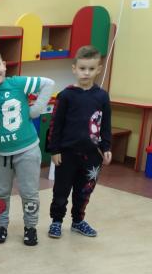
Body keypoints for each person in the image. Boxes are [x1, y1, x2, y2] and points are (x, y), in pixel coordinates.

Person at [0, 48, 55, 246]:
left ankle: (30, 227)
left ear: (4, 65)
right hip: (1, 154)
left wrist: (36, 110)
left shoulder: (16, 82)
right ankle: (1, 226)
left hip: (27, 150)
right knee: (0, 193)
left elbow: (48, 83)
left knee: (29, 192)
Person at [47, 45, 112, 239]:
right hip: (66, 154)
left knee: (84, 192)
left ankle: (78, 221)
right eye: (82, 68)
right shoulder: (66, 95)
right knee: (61, 191)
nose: (86, 73)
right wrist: (54, 150)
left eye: (91, 69)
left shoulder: (102, 96)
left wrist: (106, 147)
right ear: (74, 68)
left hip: (92, 156)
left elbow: (105, 124)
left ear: (98, 69)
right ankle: (56, 221)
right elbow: (55, 125)